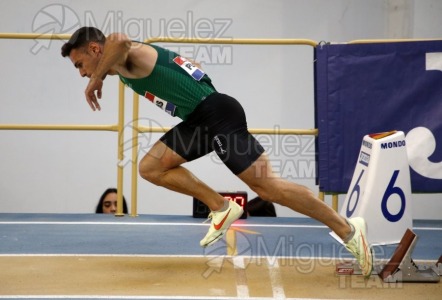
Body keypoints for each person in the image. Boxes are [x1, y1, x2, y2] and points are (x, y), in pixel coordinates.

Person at [61, 27, 373, 277]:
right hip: (198, 121)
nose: (82, 73)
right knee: (151, 168)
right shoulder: (121, 64)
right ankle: (220, 207)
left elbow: (119, 38)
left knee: (269, 187)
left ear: (95, 49)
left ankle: (347, 229)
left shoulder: (126, 54)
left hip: (218, 114)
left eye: (80, 64)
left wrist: (98, 76)